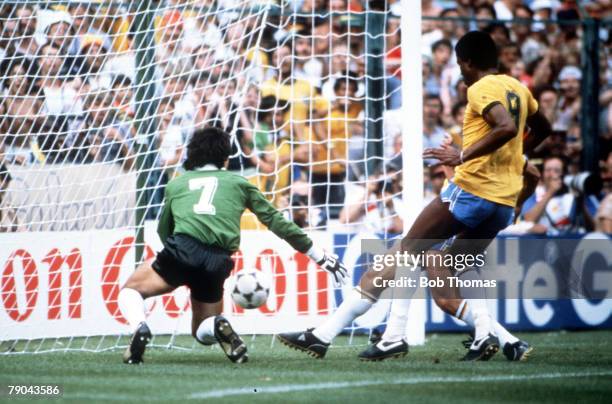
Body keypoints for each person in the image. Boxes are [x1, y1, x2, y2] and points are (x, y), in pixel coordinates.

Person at [278, 31, 551, 361]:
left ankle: (343, 335)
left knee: (404, 252)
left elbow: (506, 127)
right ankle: (491, 337)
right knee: (451, 267)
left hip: (472, 192)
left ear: (465, 62)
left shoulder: (481, 87)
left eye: (459, 64)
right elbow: (542, 129)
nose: (460, 70)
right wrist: (513, 159)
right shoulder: (518, 88)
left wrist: (462, 156)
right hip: (503, 201)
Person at [118, 127, 348, 364]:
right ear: (226, 159)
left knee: (131, 290)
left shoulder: (176, 184)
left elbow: (163, 229)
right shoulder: (239, 182)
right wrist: (318, 255)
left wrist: (176, 259)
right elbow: (276, 221)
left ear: (192, 155)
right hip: (218, 260)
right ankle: (217, 325)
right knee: (201, 332)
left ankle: (140, 327)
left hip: (182, 250)